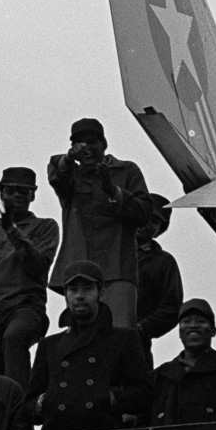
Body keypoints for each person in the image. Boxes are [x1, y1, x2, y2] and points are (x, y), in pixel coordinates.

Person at [46, 118, 153, 328]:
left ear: (104, 144)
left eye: (92, 142)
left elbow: (143, 213)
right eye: (80, 144)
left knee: (121, 335)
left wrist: (113, 191)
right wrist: (68, 159)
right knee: (82, 337)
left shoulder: (127, 171)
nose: (87, 149)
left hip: (118, 268)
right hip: (80, 271)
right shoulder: (71, 175)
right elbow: (57, 176)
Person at [0, 167, 61, 391]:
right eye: (12, 190)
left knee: (14, 338)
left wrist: (13, 231)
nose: (17, 195)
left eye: (24, 192)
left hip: (25, 307)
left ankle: (20, 406)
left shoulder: (45, 226)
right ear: (1, 191)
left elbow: (38, 266)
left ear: (33, 196)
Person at [27, 261, 152, 430]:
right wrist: (43, 402)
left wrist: (111, 399)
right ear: (65, 296)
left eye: (87, 289)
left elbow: (143, 393)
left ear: (101, 294)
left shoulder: (124, 339)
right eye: (73, 290)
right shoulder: (49, 345)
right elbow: (28, 406)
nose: (79, 295)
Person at [150, 299, 216, 425]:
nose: (193, 325)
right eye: (186, 321)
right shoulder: (158, 376)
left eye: (201, 321)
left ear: (214, 331)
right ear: (179, 332)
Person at [135, 194, 183, 359]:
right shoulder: (107, 251)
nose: (147, 223)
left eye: (155, 221)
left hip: (137, 345)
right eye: (145, 215)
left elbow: (171, 309)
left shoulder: (164, 262)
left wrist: (141, 328)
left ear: (159, 230)